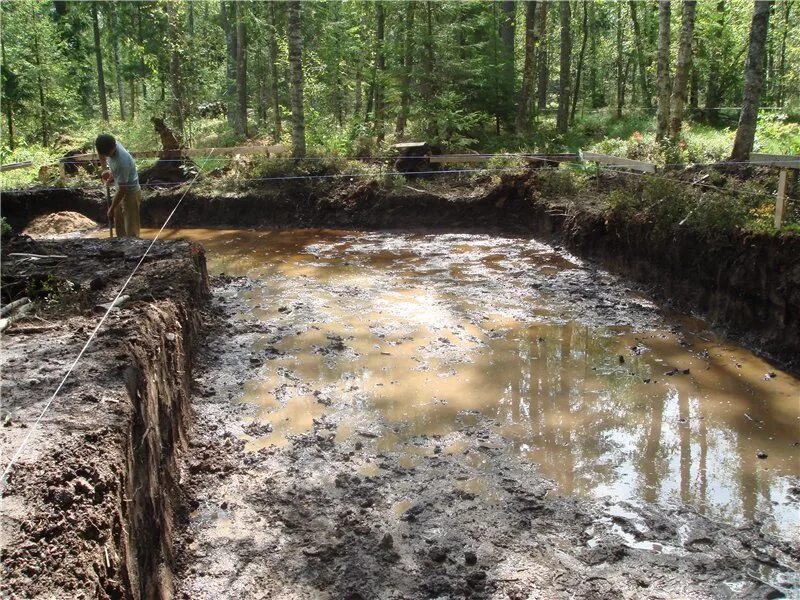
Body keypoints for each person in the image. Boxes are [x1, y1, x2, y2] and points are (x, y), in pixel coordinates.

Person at [95, 134, 141, 238]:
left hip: (130, 192)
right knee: (119, 223)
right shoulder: (107, 144)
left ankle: (133, 251)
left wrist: (111, 208)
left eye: (108, 154)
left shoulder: (122, 161)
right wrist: (105, 170)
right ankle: (120, 247)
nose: (106, 156)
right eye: (104, 154)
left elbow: (123, 190)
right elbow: (101, 155)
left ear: (114, 147)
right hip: (120, 187)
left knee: (131, 229)